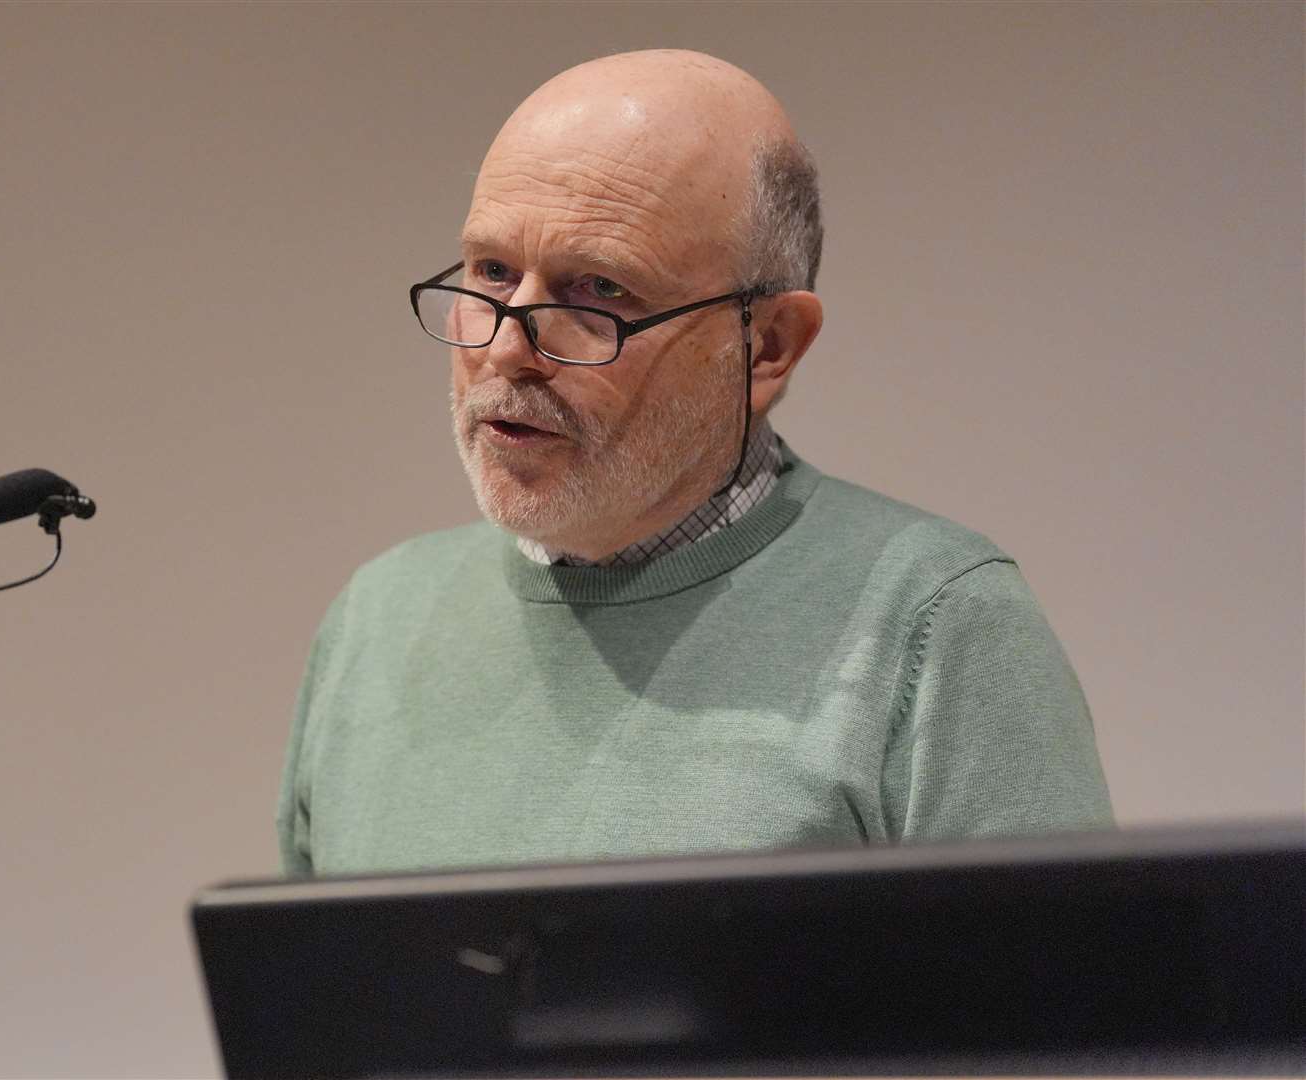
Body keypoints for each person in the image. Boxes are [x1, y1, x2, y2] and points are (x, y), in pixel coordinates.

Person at [277, 49, 1111, 877]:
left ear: (769, 346)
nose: (505, 347)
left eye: (598, 291)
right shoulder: (376, 623)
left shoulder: (937, 627)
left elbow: (1083, 1011)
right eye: (492, 270)